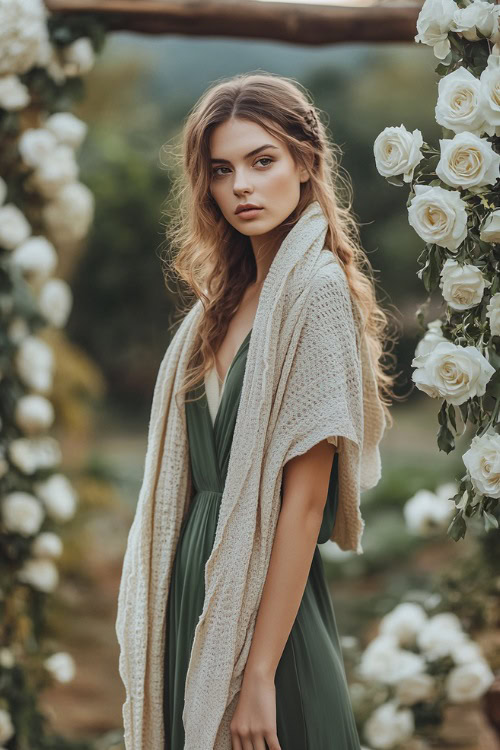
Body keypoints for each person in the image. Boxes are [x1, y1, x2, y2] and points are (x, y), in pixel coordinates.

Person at [116, 71, 396, 750]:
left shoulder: (317, 294)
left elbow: (303, 506)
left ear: (304, 163)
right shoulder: (221, 305)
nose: (241, 185)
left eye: (261, 161)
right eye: (222, 170)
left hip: (268, 603)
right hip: (192, 584)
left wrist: (259, 675)